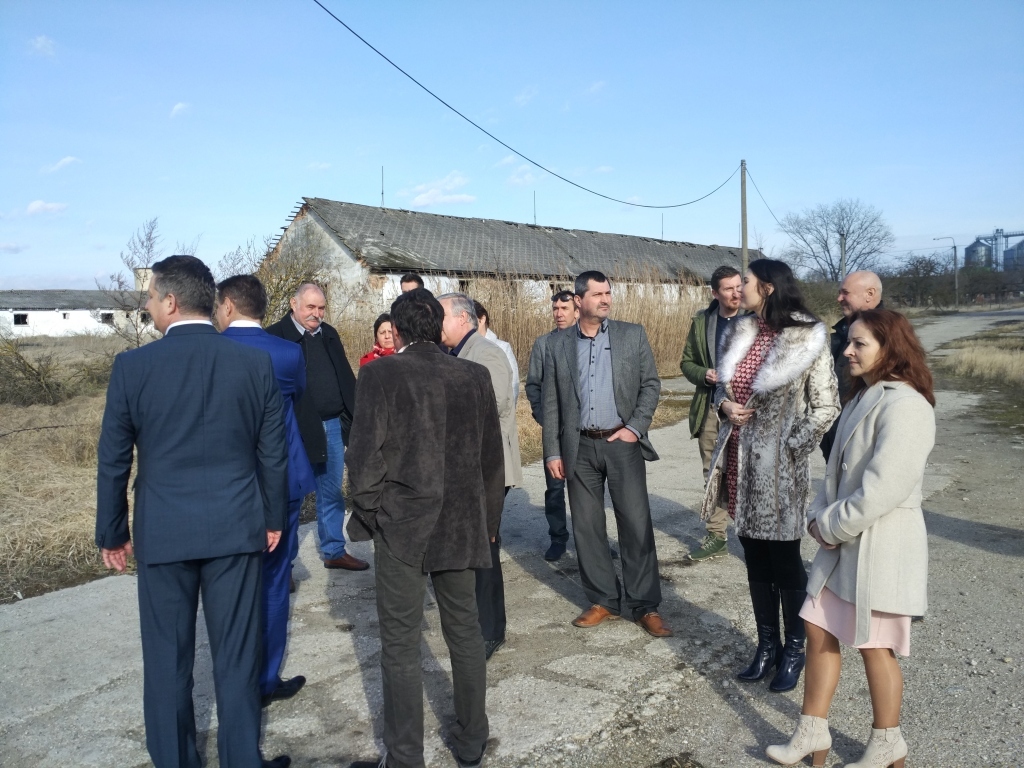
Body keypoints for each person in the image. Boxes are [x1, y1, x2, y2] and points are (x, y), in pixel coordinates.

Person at [96, 255, 290, 768]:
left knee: (166, 661)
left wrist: (112, 531)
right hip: (236, 525)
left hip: (163, 531)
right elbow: (273, 452)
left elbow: (114, 458)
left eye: (150, 297)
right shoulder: (254, 364)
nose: (146, 305)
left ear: (171, 301)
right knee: (237, 657)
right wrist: (273, 517)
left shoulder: (133, 367)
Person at [766, 309, 934, 768]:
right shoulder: (863, 396)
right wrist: (817, 516)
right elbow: (835, 475)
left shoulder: (907, 406)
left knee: (875, 645)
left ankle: (888, 743)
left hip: (881, 543)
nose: (847, 351)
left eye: (860, 343)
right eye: (849, 342)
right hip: (843, 542)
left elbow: (884, 488)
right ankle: (812, 732)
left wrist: (830, 526)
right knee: (817, 625)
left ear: (890, 348)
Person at [345, 288, 505, 768]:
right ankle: (472, 741)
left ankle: (405, 756)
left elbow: (363, 455)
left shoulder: (380, 374)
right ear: (437, 327)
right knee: (465, 630)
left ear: (396, 331)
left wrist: (372, 513)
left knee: (400, 642)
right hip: (460, 523)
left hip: (402, 526)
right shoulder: (473, 375)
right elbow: (490, 459)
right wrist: (487, 522)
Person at [702, 258, 839, 692]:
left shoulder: (807, 336)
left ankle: (794, 650)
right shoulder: (741, 330)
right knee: (754, 555)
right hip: (738, 463)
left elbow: (826, 406)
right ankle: (766, 646)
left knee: (784, 559)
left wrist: (791, 445)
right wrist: (724, 405)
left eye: (746, 281)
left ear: (768, 287)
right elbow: (722, 387)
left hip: (780, 471)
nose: (738, 287)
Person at [541, 271, 671, 638]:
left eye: (608, 293)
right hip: (579, 447)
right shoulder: (558, 344)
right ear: (579, 300)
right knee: (587, 526)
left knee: (635, 523)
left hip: (622, 443)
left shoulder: (632, 335)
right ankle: (604, 601)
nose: (605, 299)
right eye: (597, 294)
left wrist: (635, 428)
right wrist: (552, 451)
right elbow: (550, 402)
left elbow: (651, 385)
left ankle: (645, 605)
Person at [216, 274, 315, 709]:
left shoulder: (213, 351)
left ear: (227, 305)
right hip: (282, 479)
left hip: (230, 482)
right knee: (274, 579)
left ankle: (235, 680)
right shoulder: (289, 353)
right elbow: (299, 395)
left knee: (230, 584)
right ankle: (266, 677)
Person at [438, 292, 523, 660]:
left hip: (487, 467)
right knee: (473, 546)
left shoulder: (486, 354)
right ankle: (477, 620)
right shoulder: (454, 354)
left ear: (463, 318)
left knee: (485, 547)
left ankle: (490, 630)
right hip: (467, 467)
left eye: (441, 317)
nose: (436, 325)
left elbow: (496, 405)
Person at [266, 284, 367, 571]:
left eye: (321, 308)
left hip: (331, 425)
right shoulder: (275, 337)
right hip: (294, 429)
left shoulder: (329, 334)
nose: (317, 314)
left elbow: (344, 377)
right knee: (290, 496)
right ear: (293, 303)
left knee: (332, 491)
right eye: (310, 307)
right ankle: (283, 564)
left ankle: (334, 550)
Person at [679, 265, 745, 563]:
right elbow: (686, 363)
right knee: (714, 471)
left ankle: (755, 533)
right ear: (715, 293)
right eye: (729, 289)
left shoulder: (755, 320)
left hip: (746, 409)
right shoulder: (702, 322)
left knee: (747, 470)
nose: (736, 293)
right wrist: (703, 374)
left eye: (739, 286)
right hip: (709, 407)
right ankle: (717, 536)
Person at [525, 289, 578, 561]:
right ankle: (558, 538)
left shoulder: (586, 341)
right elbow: (533, 385)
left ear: (577, 310)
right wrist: (543, 417)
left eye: (564, 309)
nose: (559, 314)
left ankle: (593, 541)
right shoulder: (544, 344)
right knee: (555, 489)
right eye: (555, 309)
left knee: (586, 491)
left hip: (582, 431)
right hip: (554, 432)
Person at [820, 270, 882, 460]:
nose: (839, 298)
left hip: (862, 440)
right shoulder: (842, 330)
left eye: (845, 293)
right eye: (839, 292)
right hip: (836, 434)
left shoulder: (887, 334)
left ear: (869, 294)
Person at [473, 300, 520, 403]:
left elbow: (513, 386)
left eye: (471, 319)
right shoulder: (458, 349)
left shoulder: (502, 348)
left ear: (482, 319)